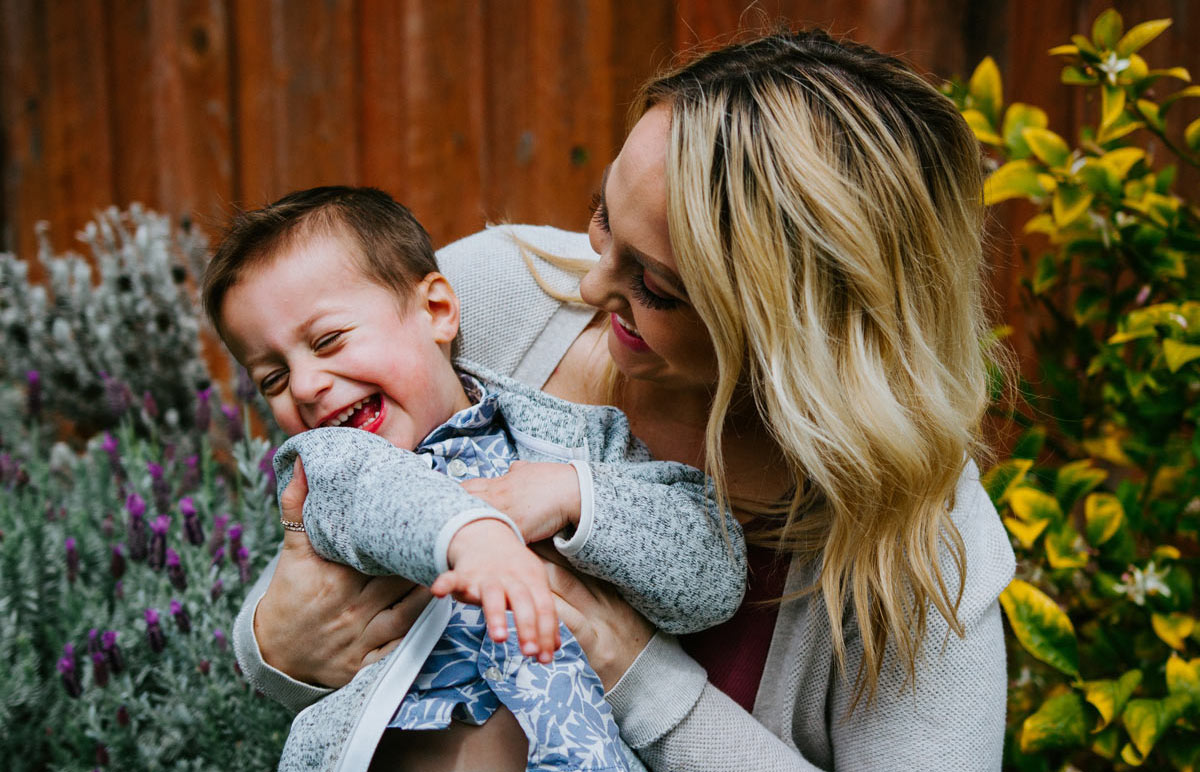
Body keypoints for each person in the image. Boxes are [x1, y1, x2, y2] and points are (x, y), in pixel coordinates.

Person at [235, 29, 1016, 771]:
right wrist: (276, 644)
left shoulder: (924, 558)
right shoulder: (497, 297)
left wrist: (639, 678)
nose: (590, 284)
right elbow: (334, 523)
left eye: (656, 287)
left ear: (800, 335)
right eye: (603, 214)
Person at [204, 186, 746, 771]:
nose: (307, 385)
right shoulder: (331, 467)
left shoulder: (573, 442)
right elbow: (380, 498)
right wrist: (470, 535)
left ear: (437, 310)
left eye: (328, 341)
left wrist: (575, 495)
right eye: (274, 379)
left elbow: (710, 578)